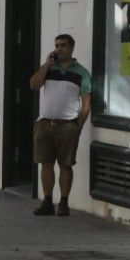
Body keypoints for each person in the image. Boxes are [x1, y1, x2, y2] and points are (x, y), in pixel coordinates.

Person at [27, 33, 94, 216]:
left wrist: (77, 126)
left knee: (66, 165)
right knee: (45, 163)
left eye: (63, 45)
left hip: (68, 126)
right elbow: (34, 84)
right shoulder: (49, 68)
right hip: (45, 123)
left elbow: (86, 104)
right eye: (56, 45)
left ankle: (63, 202)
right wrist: (47, 64)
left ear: (72, 47)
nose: (59, 48)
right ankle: (47, 201)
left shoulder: (82, 73)